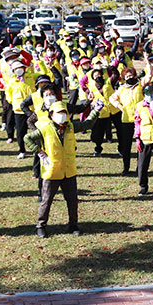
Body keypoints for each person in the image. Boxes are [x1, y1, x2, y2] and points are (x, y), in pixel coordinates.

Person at [24, 100, 99, 238]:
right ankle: (41, 225)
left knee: (72, 201)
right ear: (51, 115)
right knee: (46, 201)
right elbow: (27, 138)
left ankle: (73, 225)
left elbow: (86, 124)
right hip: (52, 172)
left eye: (64, 113)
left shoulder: (70, 126)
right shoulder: (45, 129)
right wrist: (39, 151)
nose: (62, 116)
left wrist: (95, 111)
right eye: (59, 113)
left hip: (69, 171)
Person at [107, 67, 142, 175]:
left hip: (140, 120)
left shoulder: (140, 86)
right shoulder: (122, 88)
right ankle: (126, 168)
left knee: (140, 145)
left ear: (135, 76)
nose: (129, 78)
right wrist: (119, 105)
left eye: (131, 76)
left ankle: (139, 167)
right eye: (127, 76)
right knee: (126, 145)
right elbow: (112, 98)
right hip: (126, 119)